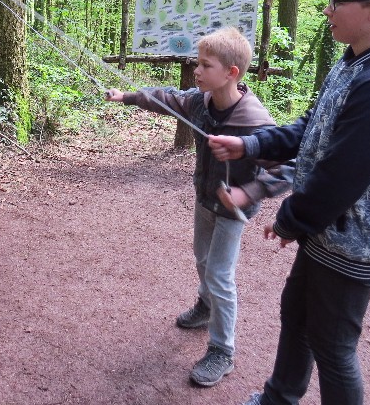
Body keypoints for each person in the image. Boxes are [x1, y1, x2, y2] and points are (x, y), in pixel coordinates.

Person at [208, 0, 370, 405]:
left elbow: (342, 174)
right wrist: (251, 144)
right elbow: (313, 128)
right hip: (332, 230)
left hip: (358, 238)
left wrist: (291, 220)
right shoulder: (355, 63)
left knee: (332, 343)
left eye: (336, 1)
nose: (327, 10)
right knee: (298, 313)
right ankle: (279, 397)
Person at [105, 26, 292, 387]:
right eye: (197, 62)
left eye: (206, 65)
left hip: (233, 212)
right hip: (204, 198)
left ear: (231, 73)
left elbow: (288, 168)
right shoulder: (199, 101)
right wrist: (126, 96)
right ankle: (205, 308)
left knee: (220, 275)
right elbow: (164, 98)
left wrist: (248, 192)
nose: (197, 70)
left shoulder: (253, 120)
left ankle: (222, 351)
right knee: (202, 259)